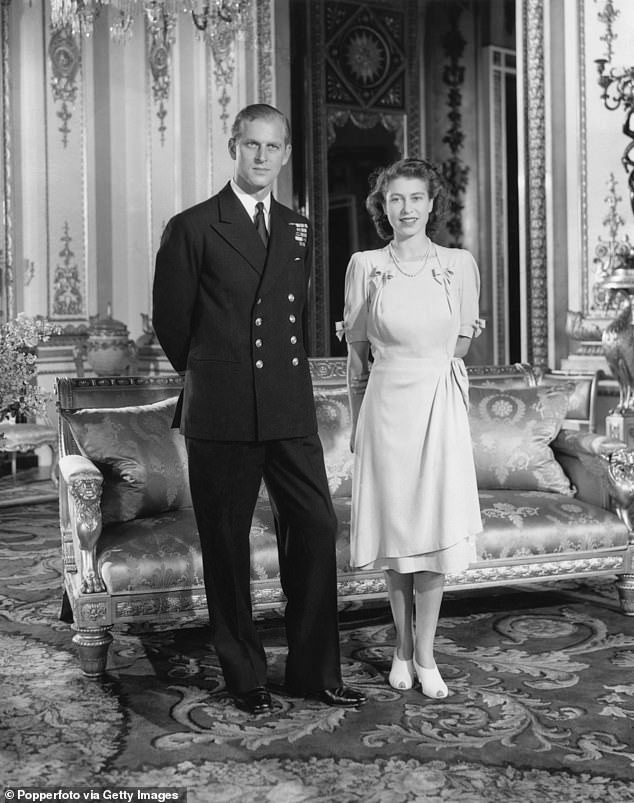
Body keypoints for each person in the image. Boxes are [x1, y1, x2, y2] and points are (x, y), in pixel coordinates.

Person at [152, 104, 366, 716]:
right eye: (251, 146)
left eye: (273, 148)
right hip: (222, 410)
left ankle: (312, 672)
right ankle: (245, 675)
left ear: (286, 154)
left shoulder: (297, 228)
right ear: (233, 147)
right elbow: (173, 325)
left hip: (288, 407)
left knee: (317, 526)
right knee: (225, 545)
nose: (262, 157)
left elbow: (293, 320)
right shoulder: (193, 226)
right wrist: (216, 375)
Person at [342, 157, 483, 698]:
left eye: (416, 198)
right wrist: (358, 427)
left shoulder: (459, 264)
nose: (406, 209)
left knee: (434, 537)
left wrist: (439, 365)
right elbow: (357, 360)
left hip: (439, 404)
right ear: (384, 205)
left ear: (431, 204)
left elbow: (461, 343)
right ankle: (401, 646)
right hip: (385, 409)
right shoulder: (365, 265)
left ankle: (425, 654)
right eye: (395, 199)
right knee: (399, 540)